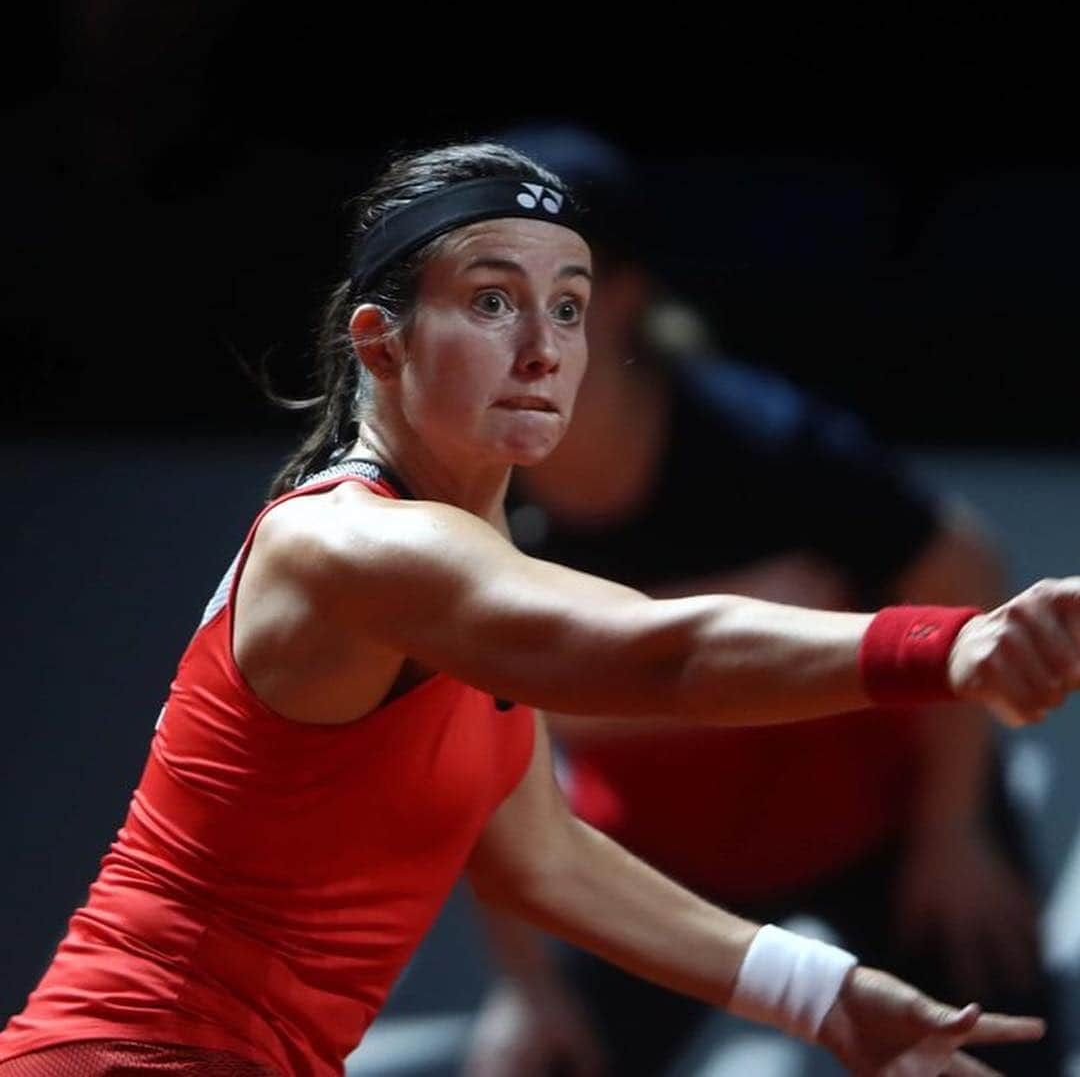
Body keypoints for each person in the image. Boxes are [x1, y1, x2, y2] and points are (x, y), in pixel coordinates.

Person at [0, 141, 1073, 1077]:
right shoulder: (351, 543)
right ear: (381, 343)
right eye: (492, 301)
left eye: (568, 304)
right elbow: (666, 658)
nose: (545, 345)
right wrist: (950, 642)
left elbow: (539, 857)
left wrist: (821, 993)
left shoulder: (456, 566)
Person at [461, 128, 1065, 1077]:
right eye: (476, 297)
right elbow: (478, 743)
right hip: (661, 867)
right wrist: (527, 985)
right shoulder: (455, 502)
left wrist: (953, 833)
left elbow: (961, 576)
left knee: (991, 1053)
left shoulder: (774, 450)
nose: (509, 336)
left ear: (620, 296)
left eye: (550, 293)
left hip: (889, 831)